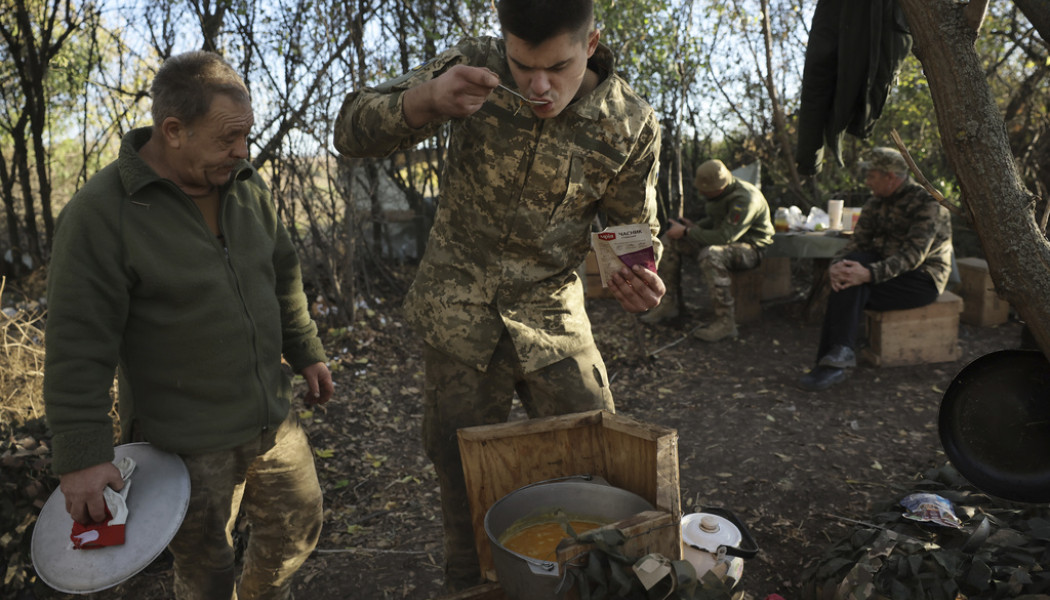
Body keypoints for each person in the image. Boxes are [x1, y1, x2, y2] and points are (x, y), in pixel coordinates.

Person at [333, 0, 665, 591]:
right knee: (460, 476)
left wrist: (638, 277)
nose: (538, 87)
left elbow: (629, 235)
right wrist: (426, 101)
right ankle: (470, 582)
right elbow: (350, 129)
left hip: (554, 321)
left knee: (599, 463)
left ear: (591, 45)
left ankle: (590, 581)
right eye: (521, 66)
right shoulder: (471, 66)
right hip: (459, 316)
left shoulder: (630, 122)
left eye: (557, 68)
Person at [43, 51, 334, 599]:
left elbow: (282, 277)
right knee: (206, 568)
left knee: (298, 526)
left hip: (270, 418)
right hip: (185, 445)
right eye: (227, 139)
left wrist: (306, 352)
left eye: (245, 136)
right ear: (173, 130)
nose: (241, 152)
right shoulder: (101, 213)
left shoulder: (245, 185)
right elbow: (78, 341)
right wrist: (82, 456)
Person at [798, 146, 953, 390]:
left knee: (855, 281)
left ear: (890, 177)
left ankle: (835, 360)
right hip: (883, 271)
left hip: (921, 279)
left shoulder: (928, 203)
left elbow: (913, 256)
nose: (867, 182)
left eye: (871, 176)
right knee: (849, 273)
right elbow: (857, 243)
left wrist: (868, 273)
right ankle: (837, 356)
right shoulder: (875, 202)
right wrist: (836, 265)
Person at [639, 159, 774, 342]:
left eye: (706, 190)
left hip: (751, 249)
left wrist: (688, 231)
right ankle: (668, 304)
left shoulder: (745, 199)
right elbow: (715, 221)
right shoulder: (721, 195)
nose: (702, 193)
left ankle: (726, 322)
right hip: (725, 243)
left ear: (720, 185)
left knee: (711, 255)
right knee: (670, 241)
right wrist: (692, 227)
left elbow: (725, 236)